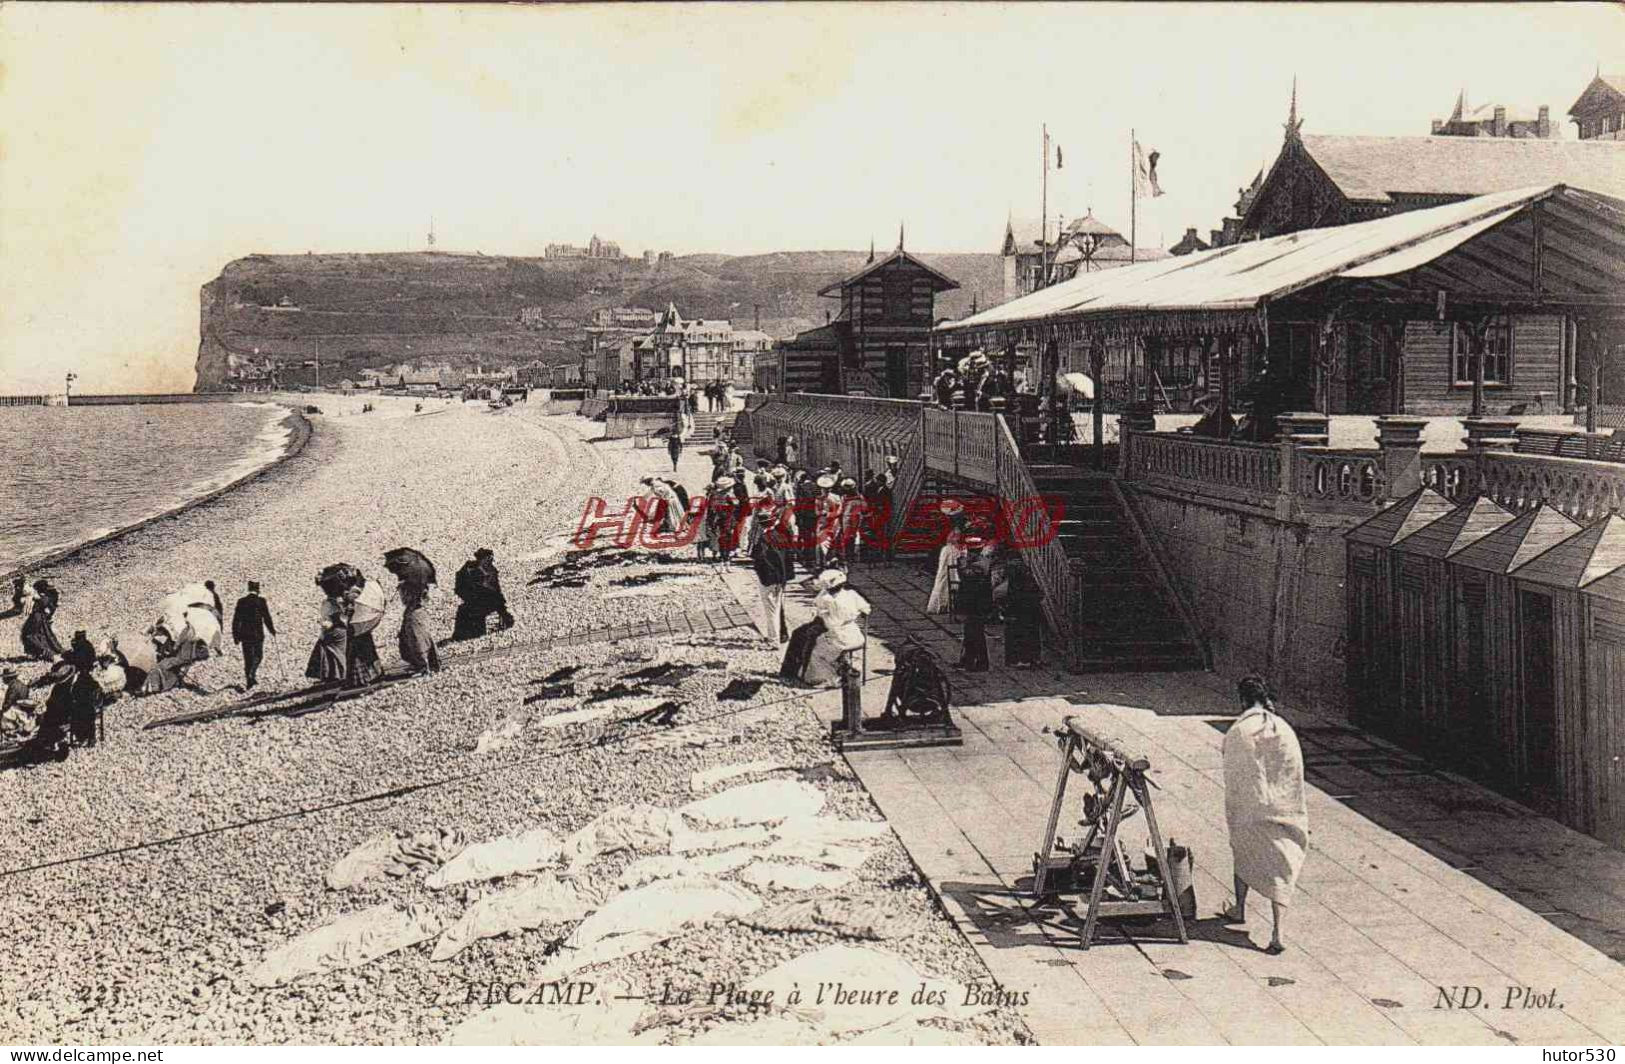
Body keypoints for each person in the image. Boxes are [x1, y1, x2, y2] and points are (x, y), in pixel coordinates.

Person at [1222, 675, 1309, 955]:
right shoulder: (1283, 728)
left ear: (1243, 700)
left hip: (1251, 808)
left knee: (1243, 851)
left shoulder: (1239, 731)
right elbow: (1294, 772)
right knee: (1281, 868)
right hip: (1285, 808)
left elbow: (1234, 774)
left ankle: (1239, 909)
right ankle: (1277, 931)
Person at [803, 569, 872, 686]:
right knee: (824, 643)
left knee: (816, 653)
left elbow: (819, 616)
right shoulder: (852, 594)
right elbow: (867, 609)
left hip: (839, 638)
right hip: (856, 636)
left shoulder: (825, 599)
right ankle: (842, 666)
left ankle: (831, 678)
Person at [452, 548, 514, 640]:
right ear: (485, 558)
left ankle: (468, 634)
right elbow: (495, 592)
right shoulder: (476, 570)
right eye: (490, 558)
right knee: (469, 611)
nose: (492, 560)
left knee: (467, 611)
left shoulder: (487, 570)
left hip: (478, 601)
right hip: (478, 601)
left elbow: (496, 591)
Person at [751, 525, 794, 644]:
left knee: (771, 610)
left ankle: (773, 638)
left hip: (768, 579)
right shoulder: (782, 536)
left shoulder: (762, 539)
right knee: (779, 607)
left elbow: (758, 558)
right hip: (781, 579)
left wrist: (761, 575)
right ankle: (781, 634)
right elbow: (789, 556)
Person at [231, 581, 277, 690]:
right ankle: (252, 673)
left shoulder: (241, 601)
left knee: (248, 658)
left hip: (245, 634)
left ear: (248, 589)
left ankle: (249, 680)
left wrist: (235, 635)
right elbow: (266, 617)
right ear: (258, 590)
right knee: (258, 656)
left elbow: (236, 620)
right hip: (257, 634)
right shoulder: (261, 601)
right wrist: (272, 630)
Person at [956, 539, 994, 672]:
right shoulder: (977, 562)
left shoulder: (981, 564)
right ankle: (967, 660)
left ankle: (980, 662)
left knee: (976, 634)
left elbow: (966, 575)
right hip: (972, 603)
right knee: (969, 632)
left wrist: (962, 561)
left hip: (977, 604)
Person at [925, 502, 967, 615]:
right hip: (950, 552)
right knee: (947, 576)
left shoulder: (952, 527)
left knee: (945, 577)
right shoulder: (955, 528)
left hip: (949, 551)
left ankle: (948, 603)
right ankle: (947, 603)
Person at [1003, 556, 1044, 667]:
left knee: (1020, 632)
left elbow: (1012, 595)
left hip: (1022, 608)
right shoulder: (1027, 576)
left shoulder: (1016, 577)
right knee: (1031, 633)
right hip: (1029, 607)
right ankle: (1033, 658)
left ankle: (1021, 659)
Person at [396, 579, 440, 675]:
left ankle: (424, 666)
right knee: (411, 639)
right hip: (413, 611)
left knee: (417, 640)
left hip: (415, 613)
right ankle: (420, 664)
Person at [20, 579, 64, 661]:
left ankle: (44, 652)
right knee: (43, 635)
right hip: (40, 617)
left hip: (36, 617)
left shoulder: (40, 597)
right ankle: (42, 653)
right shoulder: (46, 597)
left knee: (29, 635)